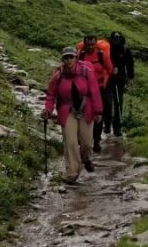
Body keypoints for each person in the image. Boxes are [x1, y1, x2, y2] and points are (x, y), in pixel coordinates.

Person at [42, 47, 103, 183]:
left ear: (76, 57)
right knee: (71, 142)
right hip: (67, 110)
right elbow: (51, 95)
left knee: (87, 143)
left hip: (86, 109)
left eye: (71, 57)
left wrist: (98, 111)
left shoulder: (86, 71)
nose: (69, 60)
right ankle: (72, 172)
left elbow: (94, 91)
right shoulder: (58, 75)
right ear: (63, 60)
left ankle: (85, 158)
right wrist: (48, 109)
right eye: (66, 58)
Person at [76, 34, 113, 152]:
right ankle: (84, 138)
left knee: (98, 114)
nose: (90, 47)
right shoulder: (80, 55)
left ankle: (96, 141)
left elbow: (109, 68)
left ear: (96, 44)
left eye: (92, 44)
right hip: (84, 90)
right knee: (82, 113)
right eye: (88, 45)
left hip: (99, 88)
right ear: (84, 44)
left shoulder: (102, 55)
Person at [108, 31, 135, 137]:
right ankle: (106, 124)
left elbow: (130, 64)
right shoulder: (107, 49)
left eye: (118, 38)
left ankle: (117, 127)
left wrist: (130, 77)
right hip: (108, 79)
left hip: (120, 80)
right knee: (108, 102)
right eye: (114, 38)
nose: (116, 40)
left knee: (119, 103)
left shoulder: (125, 50)